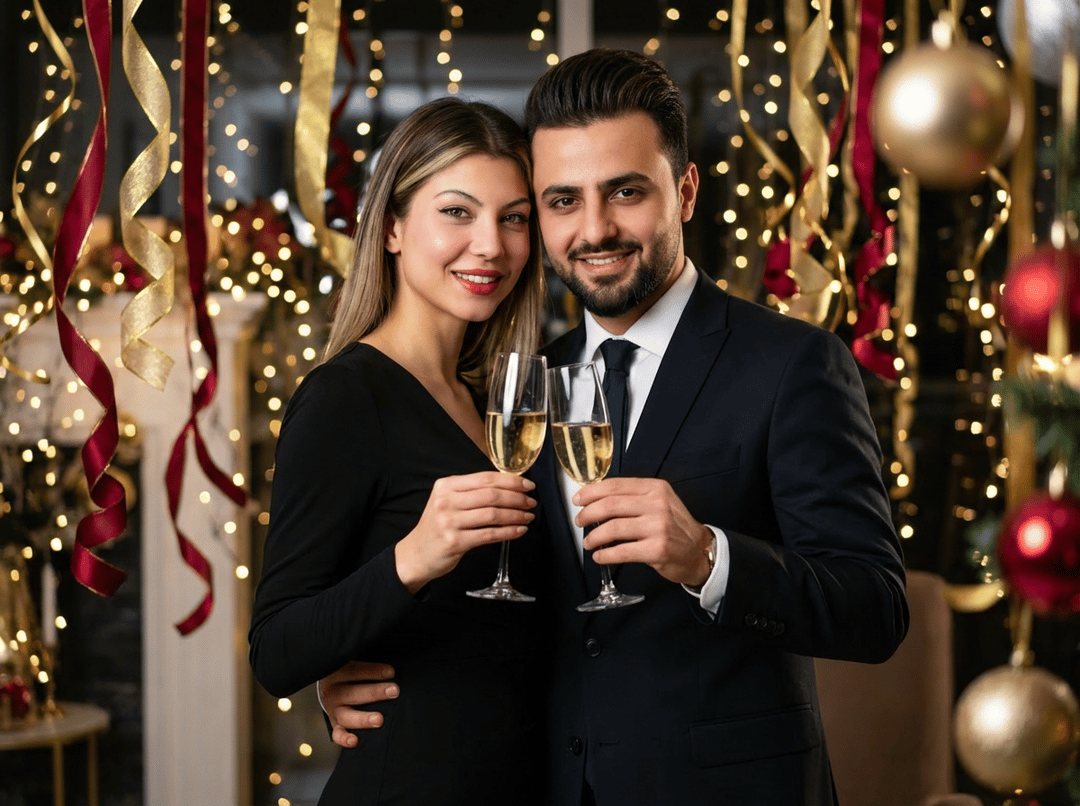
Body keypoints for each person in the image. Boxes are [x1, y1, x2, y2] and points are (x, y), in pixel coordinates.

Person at [318, 48, 910, 805]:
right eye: (562, 201)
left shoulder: (794, 364)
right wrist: (360, 676)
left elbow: (877, 610)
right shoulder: (523, 381)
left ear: (685, 190)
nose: (594, 230)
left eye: (626, 192)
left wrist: (708, 557)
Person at [247, 97, 551, 805]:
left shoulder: (498, 400)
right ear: (390, 227)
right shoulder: (345, 397)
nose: (491, 245)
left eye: (514, 218)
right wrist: (414, 557)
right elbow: (278, 648)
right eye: (457, 212)